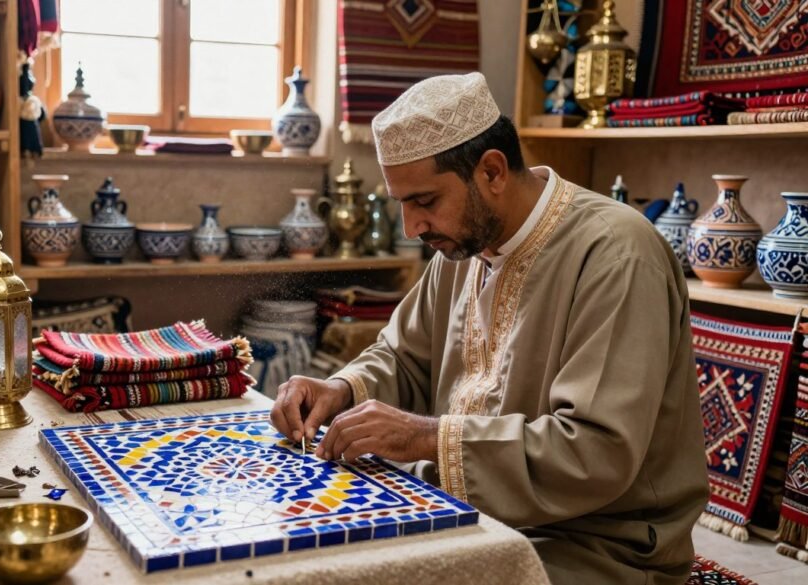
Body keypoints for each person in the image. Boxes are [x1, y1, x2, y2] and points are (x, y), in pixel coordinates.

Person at [270, 73, 708, 585]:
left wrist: (426, 438)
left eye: (425, 201)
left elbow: (596, 451)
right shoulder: (463, 244)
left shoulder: (616, 255)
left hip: (597, 541)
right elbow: (403, 356)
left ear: (493, 171)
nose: (412, 227)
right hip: (464, 504)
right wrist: (340, 390)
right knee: (309, 549)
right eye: (402, 205)